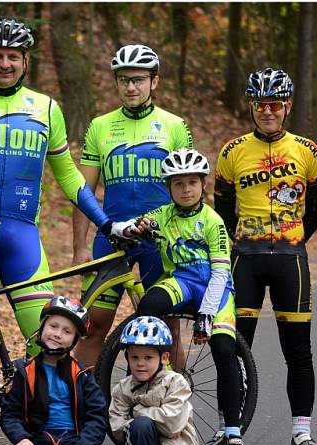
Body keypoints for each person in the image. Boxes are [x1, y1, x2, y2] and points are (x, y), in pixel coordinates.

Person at [0, 18, 113, 351]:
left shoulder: (47, 108)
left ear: (26, 61)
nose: (5, 64)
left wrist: (105, 223)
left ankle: (26, 399)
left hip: (22, 238)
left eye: (13, 56)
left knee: (49, 342)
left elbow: (70, 176)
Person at [213, 67, 317, 445]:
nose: (267, 111)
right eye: (260, 104)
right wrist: (249, 239)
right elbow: (223, 210)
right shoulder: (231, 152)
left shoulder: (308, 151)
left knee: (298, 352)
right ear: (251, 105)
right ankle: (231, 431)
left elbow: (316, 207)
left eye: (274, 104)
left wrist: (292, 237)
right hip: (245, 259)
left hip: (291, 262)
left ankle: (302, 434)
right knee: (232, 347)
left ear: (287, 106)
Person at [111, 148, 245, 445]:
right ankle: (158, 380)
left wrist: (207, 315)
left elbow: (221, 273)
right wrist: (127, 230)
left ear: (203, 185)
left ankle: (232, 432)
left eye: (192, 183)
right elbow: (126, 227)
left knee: (225, 348)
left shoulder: (214, 221)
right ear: (169, 188)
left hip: (214, 289)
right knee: (148, 307)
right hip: (182, 281)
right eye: (178, 184)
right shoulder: (162, 216)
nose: (186, 189)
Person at [72, 44, 194, 370]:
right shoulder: (100, 126)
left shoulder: (174, 126)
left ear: (154, 81)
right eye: (123, 80)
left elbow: (190, 190)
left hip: (161, 239)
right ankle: (80, 406)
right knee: (93, 326)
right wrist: (79, 248)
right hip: (111, 235)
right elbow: (83, 190)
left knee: (167, 327)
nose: (130, 87)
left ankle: (175, 405)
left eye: (138, 79)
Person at [0, 296, 107, 445]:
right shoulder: (25, 372)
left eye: (66, 331)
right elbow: (10, 413)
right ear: (42, 327)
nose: (57, 334)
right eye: (53, 326)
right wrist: (22, 437)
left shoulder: (82, 375)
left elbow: (97, 417)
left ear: (74, 340)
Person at [110, 316, 199, 445]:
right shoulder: (123, 387)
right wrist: (139, 422)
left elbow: (172, 425)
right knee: (140, 426)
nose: (141, 363)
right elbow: (117, 427)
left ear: (164, 358)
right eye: (134, 357)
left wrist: (139, 411)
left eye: (148, 357)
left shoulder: (176, 383)